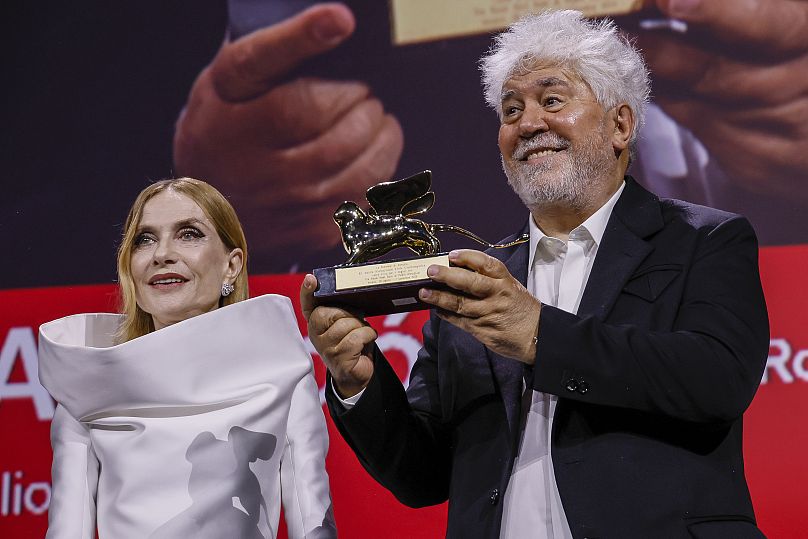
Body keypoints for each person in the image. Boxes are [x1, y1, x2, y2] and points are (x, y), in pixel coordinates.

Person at [301, 10, 769, 538]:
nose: (527, 124)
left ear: (621, 124)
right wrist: (358, 382)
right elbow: (422, 476)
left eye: (552, 101)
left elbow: (717, 381)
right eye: (511, 110)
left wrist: (541, 335)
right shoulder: (472, 285)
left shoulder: (704, 239)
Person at [37, 178, 336, 538]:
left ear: (232, 265)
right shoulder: (89, 381)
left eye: (189, 234)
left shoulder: (282, 368)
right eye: (144, 240)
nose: (161, 254)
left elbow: (313, 521)